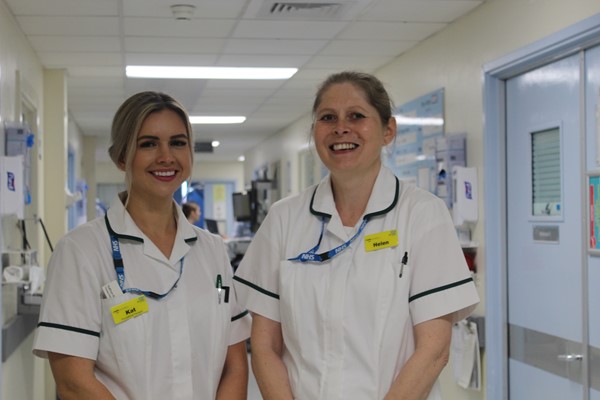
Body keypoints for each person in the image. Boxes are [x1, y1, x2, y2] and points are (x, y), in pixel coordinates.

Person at [233, 71, 479, 399]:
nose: (340, 128)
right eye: (328, 118)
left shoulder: (422, 215)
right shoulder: (284, 218)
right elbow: (265, 347)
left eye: (356, 116)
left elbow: (434, 351)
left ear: (388, 130)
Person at [33, 91, 251, 400]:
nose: (166, 156)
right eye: (148, 144)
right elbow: (73, 382)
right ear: (122, 156)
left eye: (178, 142)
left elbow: (235, 363)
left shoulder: (213, 250)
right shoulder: (80, 251)